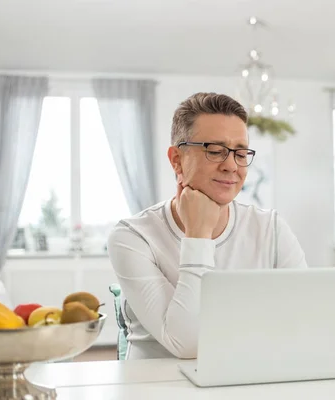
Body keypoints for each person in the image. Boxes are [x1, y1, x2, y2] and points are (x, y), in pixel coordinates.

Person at [106, 92, 308, 360]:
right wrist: (198, 235)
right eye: (215, 151)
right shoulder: (132, 237)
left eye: (241, 152)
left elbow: (306, 323)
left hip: (247, 380)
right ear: (177, 159)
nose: (231, 166)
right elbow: (188, 344)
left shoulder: (271, 229)